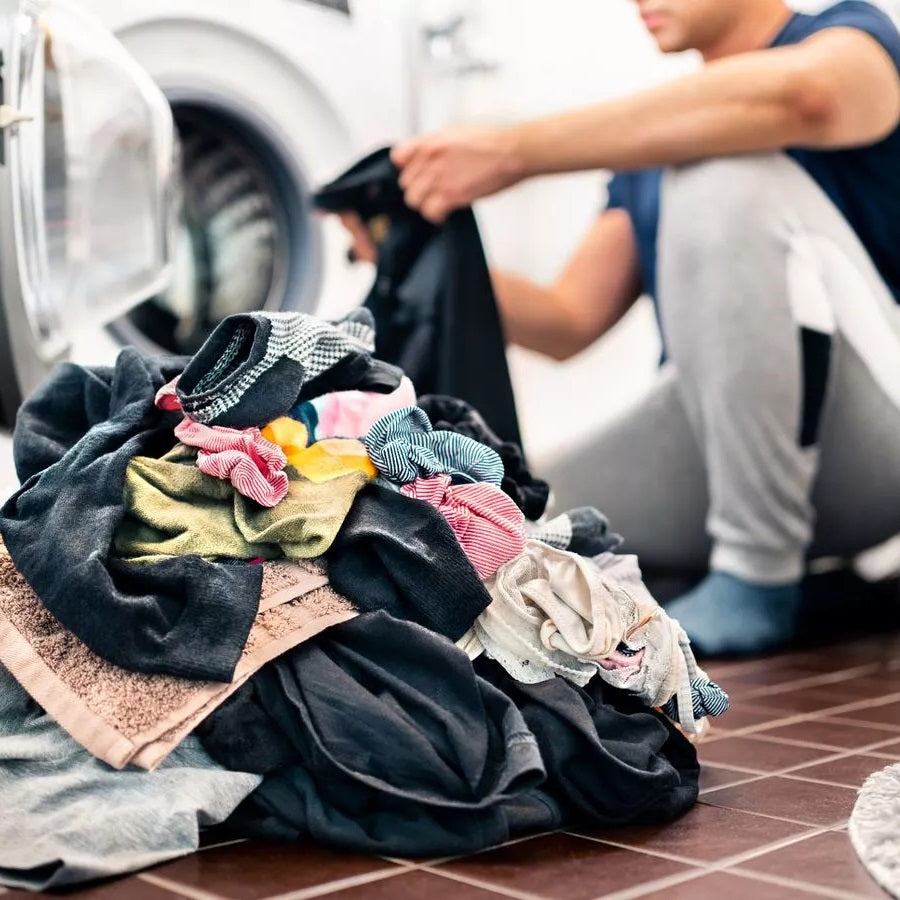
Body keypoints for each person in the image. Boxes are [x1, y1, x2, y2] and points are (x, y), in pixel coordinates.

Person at [341, 0, 900, 656]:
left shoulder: (852, 39)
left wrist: (514, 150)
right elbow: (568, 320)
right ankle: (807, 592)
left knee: (716, 163)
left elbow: (809, 96)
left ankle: (757, 573)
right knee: (513, 519)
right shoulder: (654, 147)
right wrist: (403, 251)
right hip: (727, 447)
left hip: (874, 439)